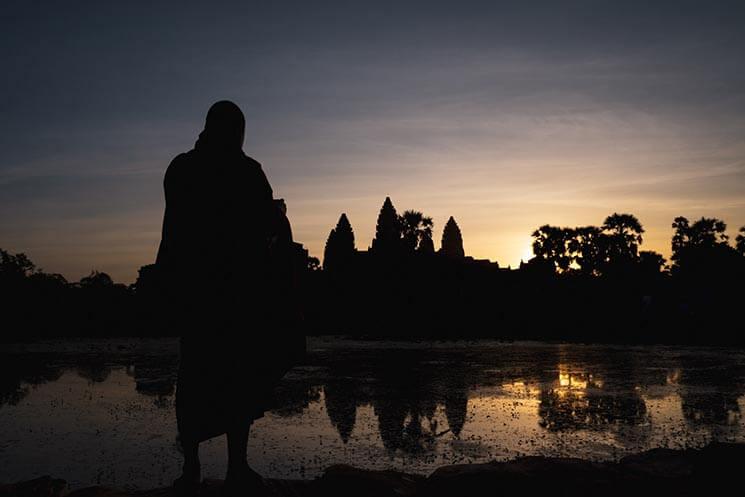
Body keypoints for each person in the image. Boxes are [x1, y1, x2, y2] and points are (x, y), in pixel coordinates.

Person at [156, 101, 303, 495]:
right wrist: (274, 215)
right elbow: (244, 227)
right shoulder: (241, 172)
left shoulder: (185, 168)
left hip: (210, 295)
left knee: (206, 378)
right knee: (223, 377)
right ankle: (225, 467)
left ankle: (203, 469)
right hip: (225, 294)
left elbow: (184, 229)